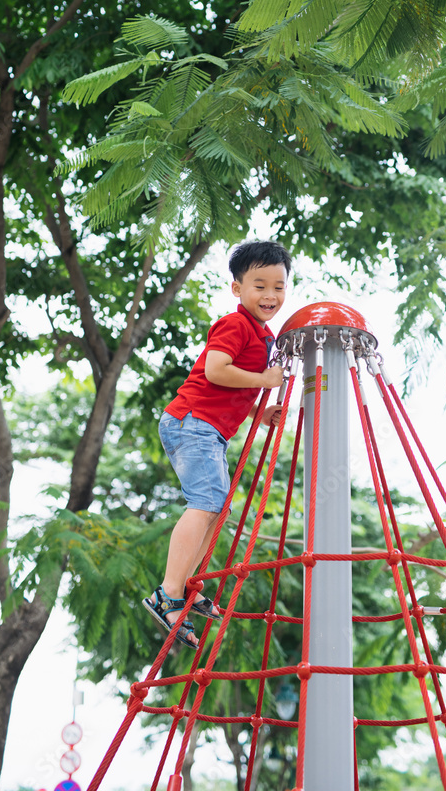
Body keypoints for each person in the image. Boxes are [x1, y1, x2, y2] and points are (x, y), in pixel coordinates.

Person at [143, 240, 291, 648]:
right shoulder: (235, 324)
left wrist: (260, 413)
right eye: (259, 285)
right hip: (192, 422)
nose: (270, 295)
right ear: (237, 289)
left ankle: (186, 587)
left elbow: (231, 388)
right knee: (206, 504)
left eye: (278, 286)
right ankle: (168, 593)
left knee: (217, 510)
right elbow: (216, 369)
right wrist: (265, 381)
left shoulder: (264, 336)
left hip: (207, 428)